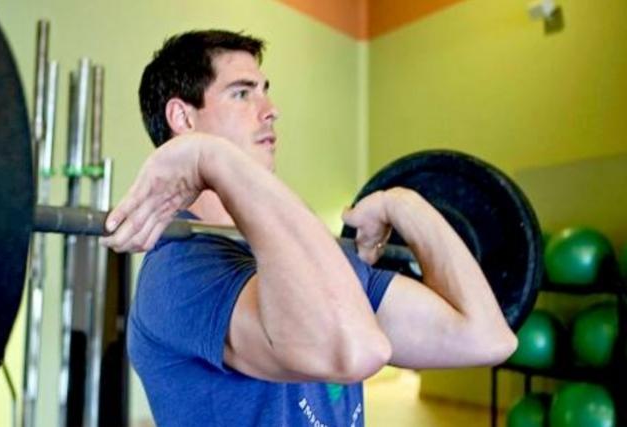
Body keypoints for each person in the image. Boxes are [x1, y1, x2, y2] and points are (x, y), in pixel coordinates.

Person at [100, 30, 517, 426]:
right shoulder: (181, 275)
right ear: (182, 118)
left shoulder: (314, 258)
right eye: (243, 93)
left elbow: (487, 336)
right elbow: (357, 350)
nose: (270, 109)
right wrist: (212, 159)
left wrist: (404, 203)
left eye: (266, 90)